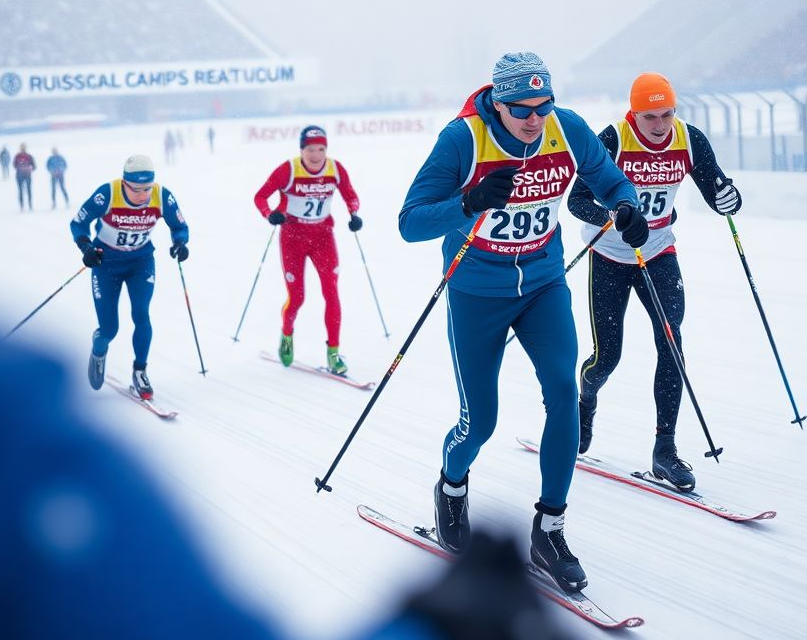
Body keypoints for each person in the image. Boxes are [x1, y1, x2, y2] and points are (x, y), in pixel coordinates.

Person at [0, 25, 592, 640]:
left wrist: (325, 216)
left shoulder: (314, 169)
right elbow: (264, 199)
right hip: (238, 254)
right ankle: (178, 348)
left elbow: (222, 209)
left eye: (543, 106)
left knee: (329, 302)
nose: (314, 157)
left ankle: (322, 349)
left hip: (366, 253)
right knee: (152, 319)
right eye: (523, 106)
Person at [399, 52, 644, 593]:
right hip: (476, 291)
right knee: (480, 420)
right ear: (497, 101)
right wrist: (468, 202)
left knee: (563, 391)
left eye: (543, 105)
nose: (534, 118)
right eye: (521, 108)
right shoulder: (462, 139)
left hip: (542, 283)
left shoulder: (566, 127)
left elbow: (610, 180)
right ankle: (452, 487)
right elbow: (409, 223)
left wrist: (626, 207)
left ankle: (549, 527)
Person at [567, 72, 743, 492]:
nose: (660, 124)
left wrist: (729, 199)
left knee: (672, 345)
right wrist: (614, 217)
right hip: (610, 256)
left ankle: (665, 450)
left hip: (660, 254)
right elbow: (577, 199)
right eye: (650, 117)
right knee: (606, 357)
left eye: (668, 113)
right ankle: (585, 402)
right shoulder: (613, 139)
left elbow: (715, 189)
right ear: (634, 113)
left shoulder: (689, 139)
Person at [69, 154, 189, 399]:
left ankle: (140, 371)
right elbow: (78, 223)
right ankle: (99, 350)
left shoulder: (162, 195)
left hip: (140, 262)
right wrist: (85, 247)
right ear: (125, 183)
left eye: (148, 188)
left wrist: (180, 243)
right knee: (109, 328)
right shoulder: (108, 193)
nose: (144, 195)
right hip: (106, 265)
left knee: (141, 314)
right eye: (137, 190)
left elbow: (179, 226)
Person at [253, 125, 362, 376]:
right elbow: (260, 197)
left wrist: (354, 214)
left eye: (321, 149)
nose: (316, 155)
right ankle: (287, 334)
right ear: (301, 149)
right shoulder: (288, 170)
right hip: (293, 238)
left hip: (323, 237)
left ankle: (333, 353)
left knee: (331, 292)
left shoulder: (335, 168)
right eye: (310, 149)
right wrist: (270, 215)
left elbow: (350, 195)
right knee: (297, 297)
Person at [12, 142, 36, 211]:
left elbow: (14, 165)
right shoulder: (23, 156)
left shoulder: (24, 156)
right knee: (23, 190)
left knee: (24, 190)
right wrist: (27, 168)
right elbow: (34, 166)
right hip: (23, 175)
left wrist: (23, 168)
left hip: (23, 175)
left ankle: (28, 205)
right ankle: (24, 205)